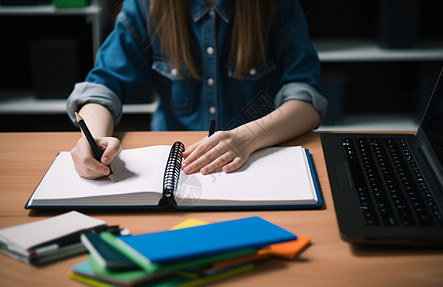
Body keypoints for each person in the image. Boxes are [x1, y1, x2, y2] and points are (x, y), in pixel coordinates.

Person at [67, 0, 327, 179]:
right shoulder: (146, 6)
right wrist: (93, 142)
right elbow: (102, 86)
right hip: (175, 168)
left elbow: (306, 101)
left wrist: (248, 137)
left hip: (257, 160)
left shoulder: (276, 6)